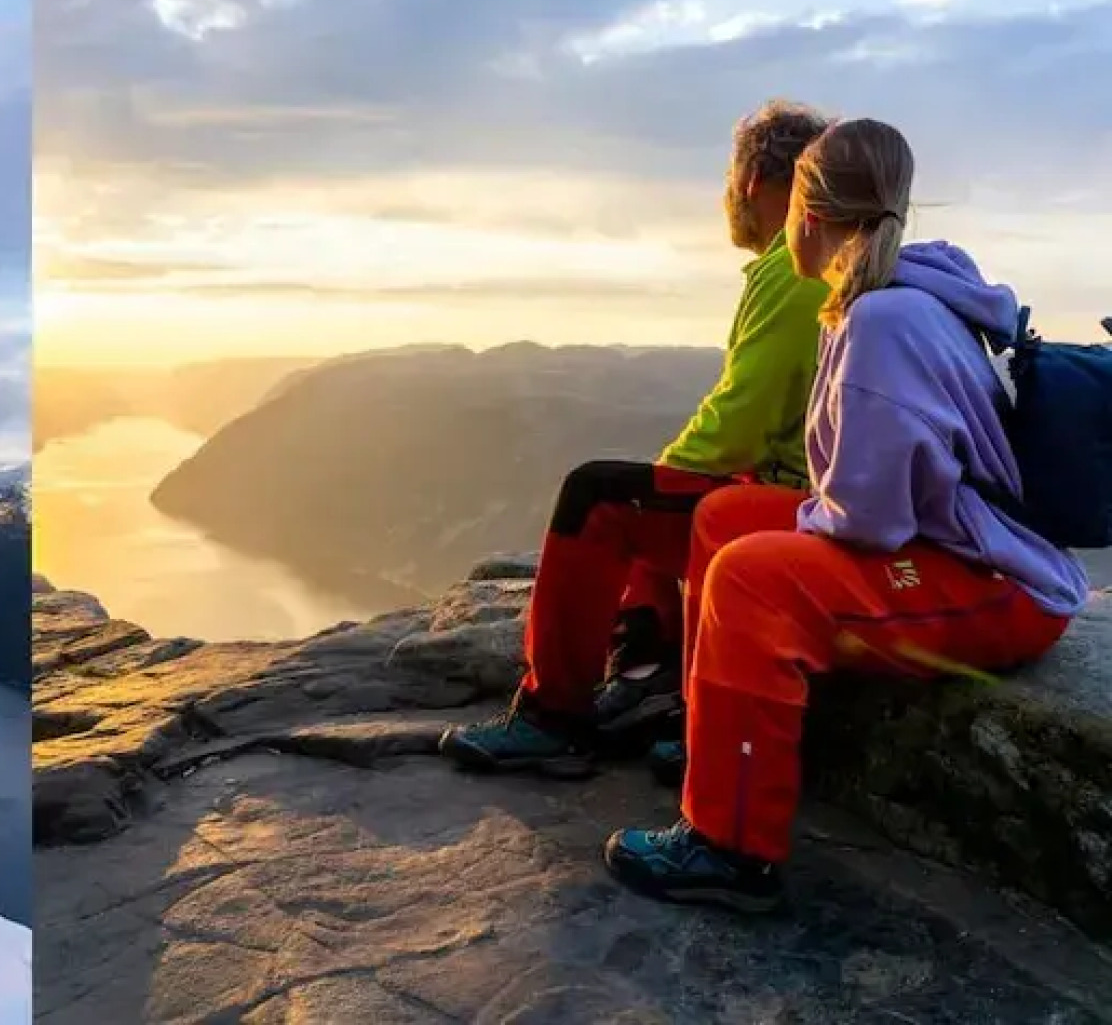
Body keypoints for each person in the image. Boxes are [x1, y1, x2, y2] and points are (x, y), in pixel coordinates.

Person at [602, 117, 1089, 912]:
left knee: (751, 579)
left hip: (1001, 581)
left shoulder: (879, 322)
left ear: (808, 215)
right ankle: (711, 732)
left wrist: (797, 535)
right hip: (953, 545)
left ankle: (730, 847)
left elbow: (865, 523)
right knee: (725, 518)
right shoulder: (896, 297)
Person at [440, 99, 837, 776]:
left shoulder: (791, 266)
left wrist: (664, 474)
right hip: (832, 500)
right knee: (664, 488)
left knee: (598, 496)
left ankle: (553, 717)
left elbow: (738, 427)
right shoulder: (843, 255)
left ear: (747, 184)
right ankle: (649, 676)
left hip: (802, 508)